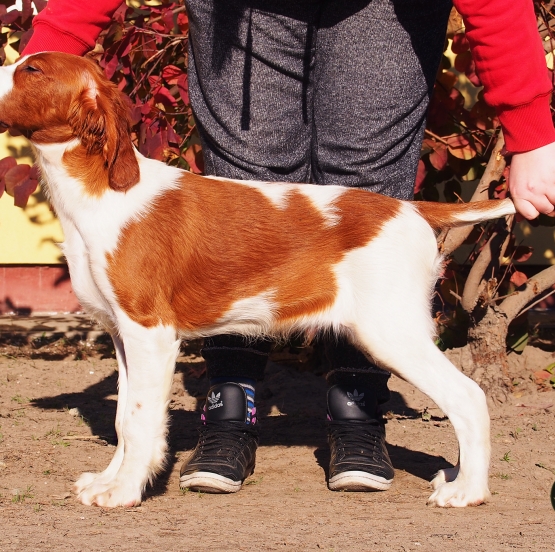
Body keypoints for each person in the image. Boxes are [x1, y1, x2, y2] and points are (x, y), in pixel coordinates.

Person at [21, 0, 555, 494]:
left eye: (28, 75)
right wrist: (45, 52)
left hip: (383, 24)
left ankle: (364, 408)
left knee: (395, 324)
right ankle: (227, 403)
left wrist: (531, 131)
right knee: (247, 168)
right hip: (244, 14)